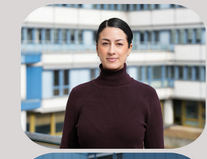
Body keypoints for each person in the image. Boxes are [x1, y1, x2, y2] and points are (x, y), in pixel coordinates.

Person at [60, 18, 164, 148]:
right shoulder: (78, 94)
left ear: (129, 48)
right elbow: (66, 151)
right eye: (105, 43)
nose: (111, 51)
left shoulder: (148, 95)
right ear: (97, 48)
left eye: (119, 44)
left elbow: (156, 156)